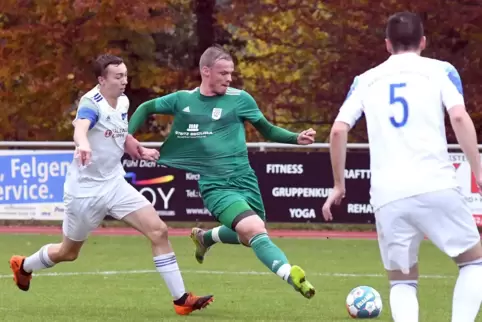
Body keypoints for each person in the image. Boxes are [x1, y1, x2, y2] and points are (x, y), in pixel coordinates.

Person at [9, 54, 213, 316]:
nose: (124, 81)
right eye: (118, 76)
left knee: (159, 231)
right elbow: (81, 127)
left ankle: (181, 299)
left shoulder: (123, 101)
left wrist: (138, 148)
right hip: (84, 193)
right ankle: (24, 265)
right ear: (101, 80)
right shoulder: (91, 103)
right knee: (68, 252)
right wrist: (82, 143)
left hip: (115, 184)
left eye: (125, 75)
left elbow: (120, 132)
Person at [322, 12, 482, 322]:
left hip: (387, 196)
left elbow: (338, 130)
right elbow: (460, 117)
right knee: (473, 263)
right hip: (436, 183)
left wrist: (339, 185)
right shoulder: (441, 70)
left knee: (402, 280)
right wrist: (478, 170)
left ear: (387, 45)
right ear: (423, 41)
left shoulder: (366, 80)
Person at [128, 45, 317, 300]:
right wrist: (128, 136)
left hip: (245, 178)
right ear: (206, 71)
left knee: (253, 231)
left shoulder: (240, 99)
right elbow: (146, 108)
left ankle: (206, 238)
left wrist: (296, 138)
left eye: (231, 73)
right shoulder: (183, 100)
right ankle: (290, 275)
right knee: (253, 229)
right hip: (215, 184)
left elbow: (268, 129)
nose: (229, 79)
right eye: (223, 73)